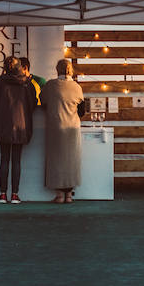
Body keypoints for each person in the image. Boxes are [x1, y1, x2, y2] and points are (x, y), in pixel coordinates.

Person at [0, 56, 35, 203]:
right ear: (19, 67)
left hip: (4, 124)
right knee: (16, 160)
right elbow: (33, 103)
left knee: (4, 159)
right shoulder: (27, 83)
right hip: (21, 126)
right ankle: (15, 194)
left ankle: (2, 194)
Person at [40, 57, 85, 203]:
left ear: (57, 70)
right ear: (71, 70)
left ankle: (59, 195)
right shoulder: (77, 87)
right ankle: (69, 195)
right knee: (71, 160)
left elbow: (43, 102)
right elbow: (82, 111)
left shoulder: (50, 85)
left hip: (55, 127)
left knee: (56, 160)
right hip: (72, 128)